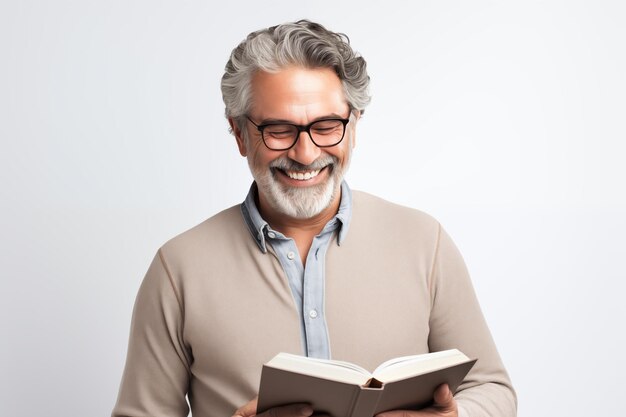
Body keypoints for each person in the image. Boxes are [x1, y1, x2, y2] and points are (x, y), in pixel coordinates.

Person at [111, 20, 516, 417]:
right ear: (238, 134)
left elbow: (493, 389)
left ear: (354, 125)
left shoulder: (425, 242)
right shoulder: (177, 269)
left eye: (326, 126)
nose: (305, 154)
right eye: (279, 130)